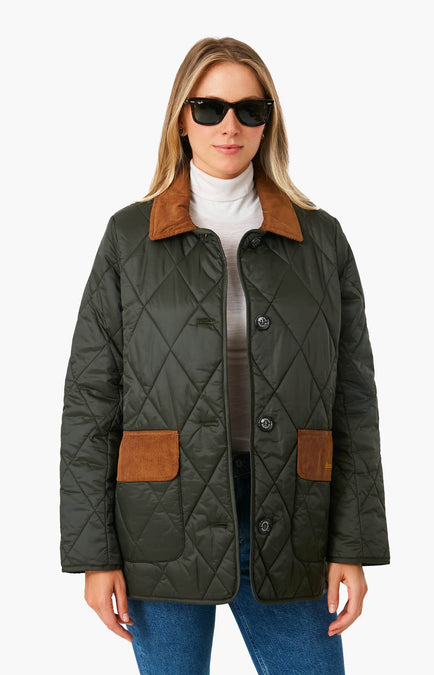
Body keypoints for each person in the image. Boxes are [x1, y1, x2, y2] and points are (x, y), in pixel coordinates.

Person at [59, 36, 390, 674]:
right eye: (209, 108)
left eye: (249, 109)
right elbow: (91, 400)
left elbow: (353, 399)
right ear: (182, 119)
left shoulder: (320, 239)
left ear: (268, 122)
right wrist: (94, 555)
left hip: (291, 517)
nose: (229, 126)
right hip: (160, 521)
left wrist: (352, 543)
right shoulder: (130, 238)